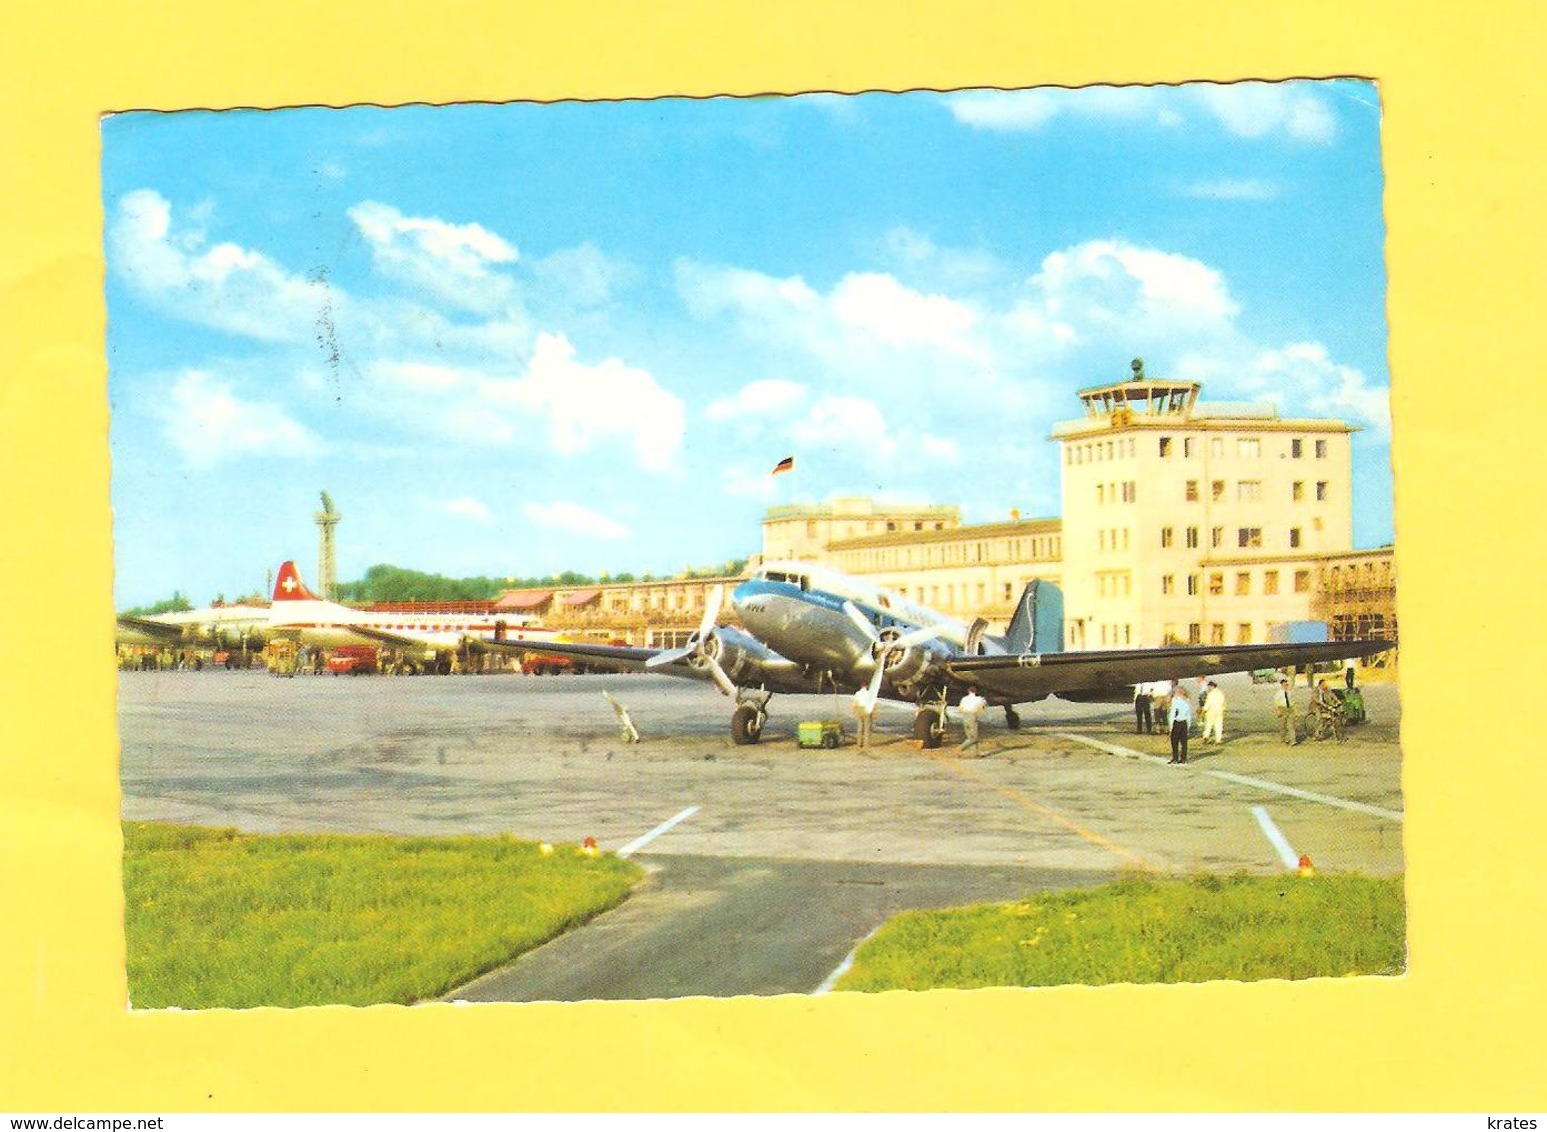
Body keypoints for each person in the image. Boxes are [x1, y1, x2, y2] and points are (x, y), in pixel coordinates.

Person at [1167, 685, 1193, 764]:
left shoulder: (1175, 700)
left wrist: (1171, 726)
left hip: (1177, 722)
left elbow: (1173, 713)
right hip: (1184, 722)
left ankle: (1175, 758)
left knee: (1174, 741)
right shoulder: (1187, 701)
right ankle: (1183, 758)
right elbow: (1189, 714)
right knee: (1184, 742)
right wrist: (1188, 725)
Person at [958, 686, 987, 755]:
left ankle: (976, 753)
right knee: (973, 738)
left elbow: (960, 708)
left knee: (970, 736)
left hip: (965, 716)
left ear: (968, 691)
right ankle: (960, 748)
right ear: (975, 692)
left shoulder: (964, 699)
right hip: (972, 716)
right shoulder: (979, 699)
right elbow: (983, 706)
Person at [851, 685, 878, 749]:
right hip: (867, 710)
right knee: (867, 728)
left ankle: (859, 743)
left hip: (860, 710)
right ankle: (866, 744)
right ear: (867, 686)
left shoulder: (858, 693)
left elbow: (854, 703)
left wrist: (854, 711)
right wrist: (875, 712)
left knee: (860, 728)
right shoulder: (870, 693)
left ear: (861, 686)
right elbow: (874, 703)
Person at [1201, 680, 1226, 746]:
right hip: (1219, 711)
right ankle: (1218, 740)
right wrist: (1223, 709)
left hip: (1211, 711)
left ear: (1212, 686)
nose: (1208, 688)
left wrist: (1204, 711)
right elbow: (1224, 703)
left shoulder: (1210, 694)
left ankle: (1206, 737)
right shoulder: (1221, 693)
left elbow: (1208, 704)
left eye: (1209, 686)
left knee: (1208, 725)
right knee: (1218, 725)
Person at [1276, 677, 1298, 745]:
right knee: (1283, 726)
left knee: (1291, 725)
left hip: (1290, 709)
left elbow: (1293, 702)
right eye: (1284, 685)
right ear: (1281, 685)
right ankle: (1282, 740)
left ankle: (1293, 740)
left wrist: (1295, 711)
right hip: (1282, 708)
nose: (1285, 686)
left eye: (1286, 684)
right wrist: (1278, 711)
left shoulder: (1290, 692)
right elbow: (1276, 702)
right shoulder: (1278, 693)